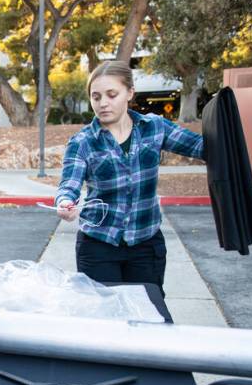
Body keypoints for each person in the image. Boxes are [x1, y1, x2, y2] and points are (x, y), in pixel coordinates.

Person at [55, 60, 204, 295]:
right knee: (105, 322)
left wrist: (232, 129)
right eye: (96, 97)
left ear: (129, 93)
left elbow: (201, 147)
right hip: (97, 247)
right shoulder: (82, 142)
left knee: (147, 317)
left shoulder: (155, 127)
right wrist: (64, 202)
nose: (103, 103)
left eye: (111, 94)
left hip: (146, 246)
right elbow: (69, 184)